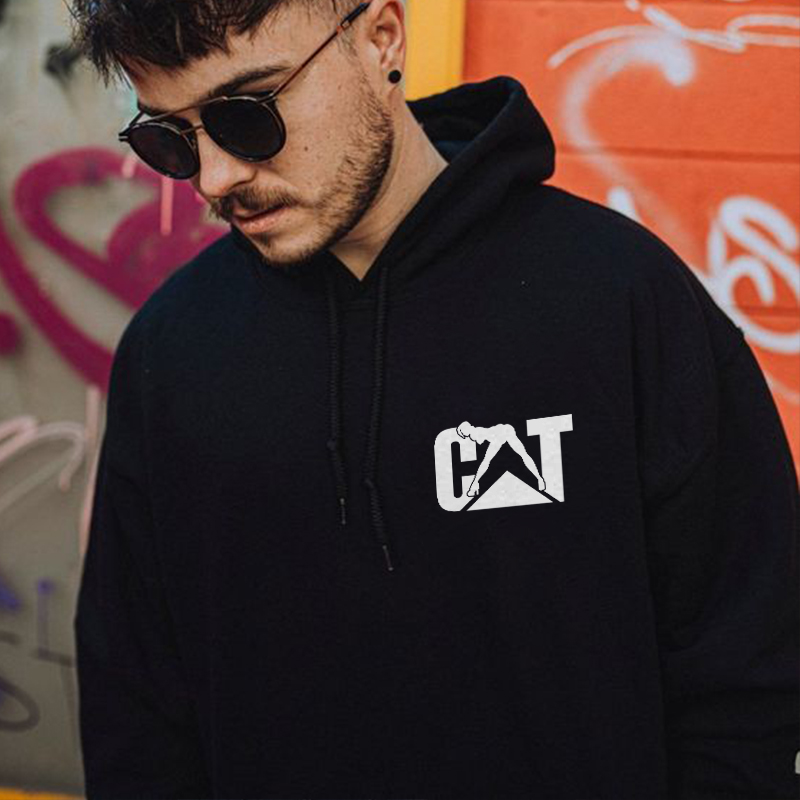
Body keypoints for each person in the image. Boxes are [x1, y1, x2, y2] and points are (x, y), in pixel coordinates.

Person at [68, 0, 799, 798]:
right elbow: (136, 709)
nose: (216, 178)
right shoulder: (173, 351)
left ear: (380, 38)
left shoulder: (619, 300)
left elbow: (748, 668)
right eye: (172, 138)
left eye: (247, 115)